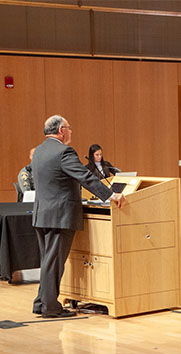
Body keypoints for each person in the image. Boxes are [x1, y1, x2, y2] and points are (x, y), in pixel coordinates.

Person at [31, 115, 125, 318]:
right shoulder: (64, 151)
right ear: (61, 130)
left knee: (48, 260)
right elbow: (84, 176)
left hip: (42, 213)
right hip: (59, 215)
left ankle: (41, 302)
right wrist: (110, 195)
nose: (71, 131)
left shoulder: (39, 151)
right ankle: (50, 307)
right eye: (69, 127)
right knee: (54, 262)